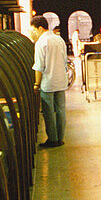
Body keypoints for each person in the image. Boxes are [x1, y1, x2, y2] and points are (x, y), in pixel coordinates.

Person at [30, 15, 68, 148]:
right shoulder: (59, 40)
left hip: (48, 83)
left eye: (34, 30)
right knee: (61, 110)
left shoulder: (41, 43)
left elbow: (39, 66)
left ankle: (52, 139)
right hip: (61, 81)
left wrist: (36, 84)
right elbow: (65, 61)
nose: (33, 33)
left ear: (40, 28)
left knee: (48, 112)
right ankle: (60, 138)